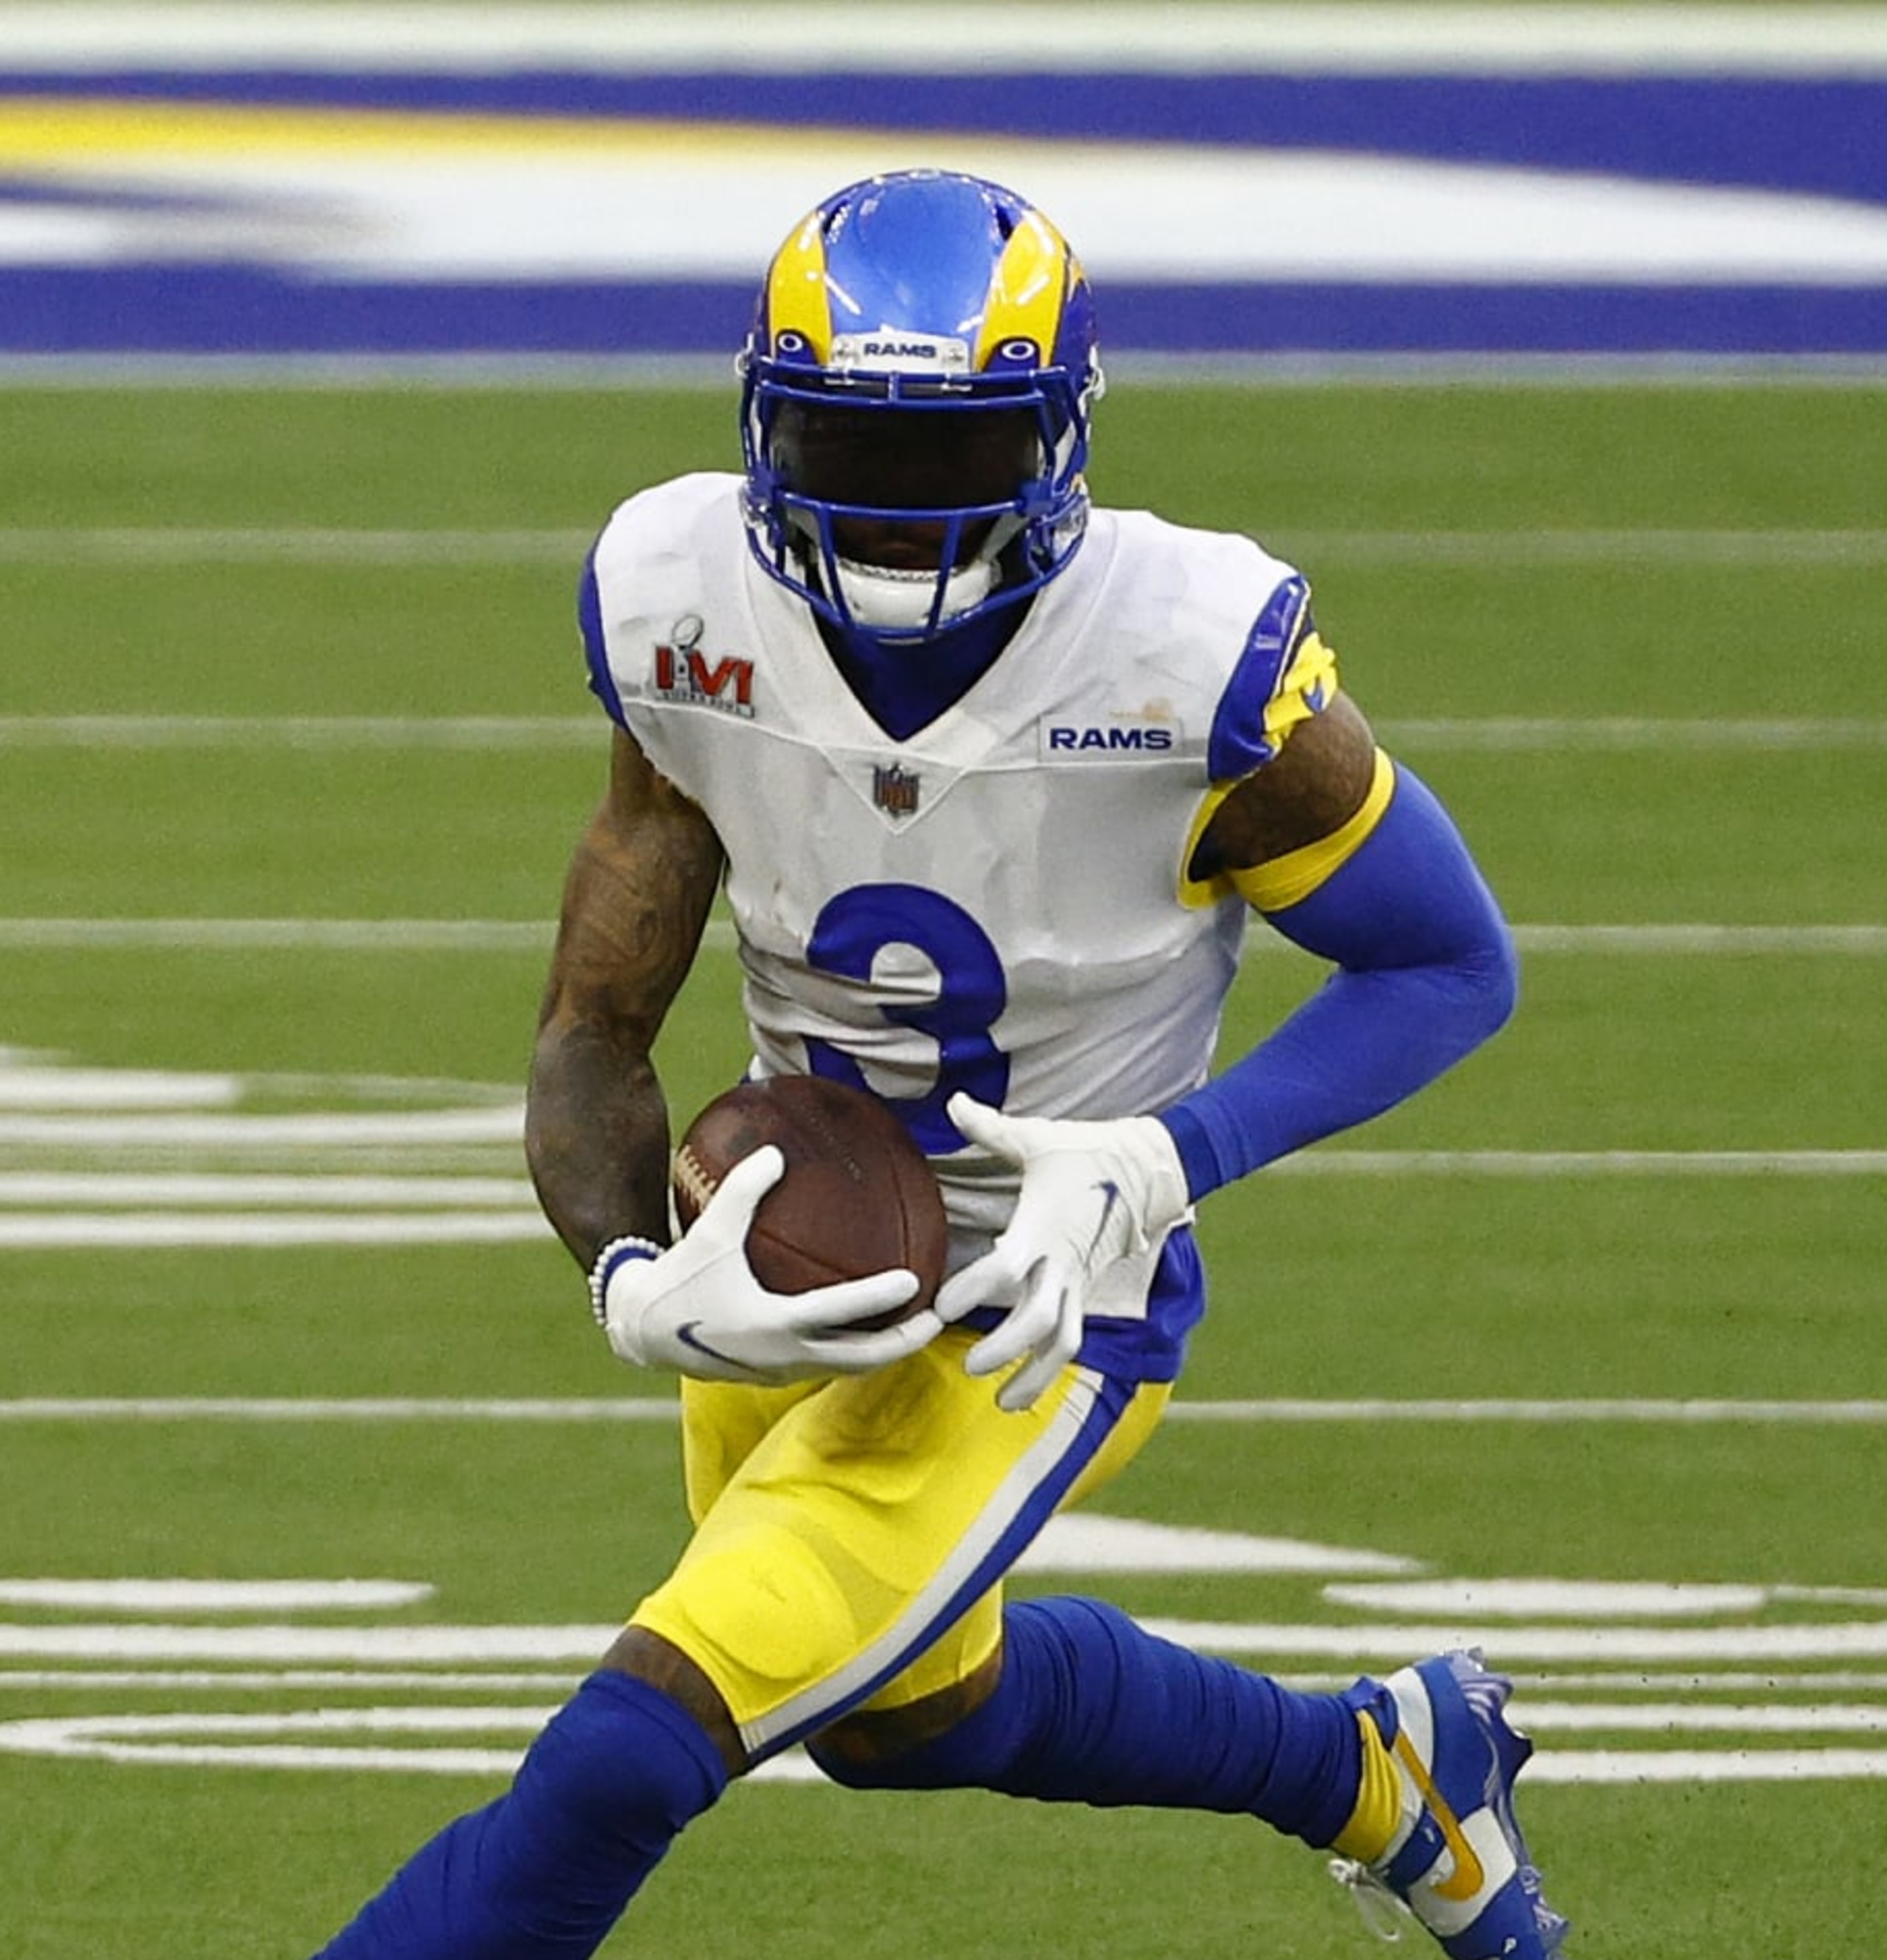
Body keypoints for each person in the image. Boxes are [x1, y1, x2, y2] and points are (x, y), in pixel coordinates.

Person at [314, 169, 1557, 1959]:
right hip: (793, 1244)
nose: (896, 516)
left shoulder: (1192, 657)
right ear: (765, 421)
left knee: (624, 1758)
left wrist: (1158, 1159)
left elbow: (1449, 960)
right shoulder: (684, 603)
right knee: (905, 1714)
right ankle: (1383, 1771)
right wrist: (628, 1277)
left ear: (1056, 437)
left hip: (1047, 1302)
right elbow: (593, 1030)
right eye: (849, 445)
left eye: (950, 453)